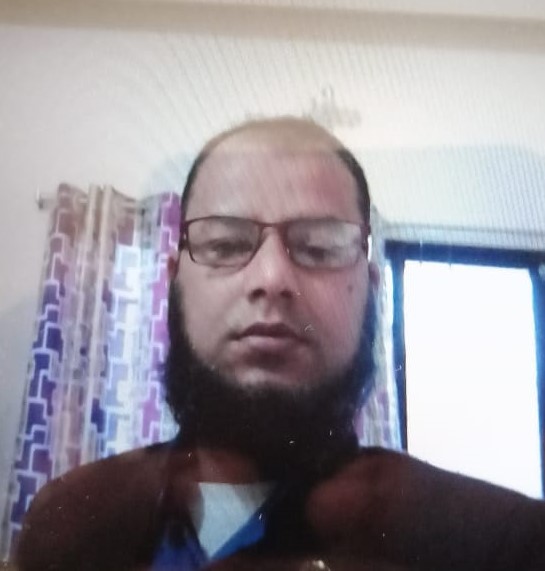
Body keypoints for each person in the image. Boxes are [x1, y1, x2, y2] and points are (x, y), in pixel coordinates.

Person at [15, 117, 545, 571]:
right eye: (226, 243)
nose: (271, 278)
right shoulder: (70, 524)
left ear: (371, 288)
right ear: (174, 281)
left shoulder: (504, 545)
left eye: (319, 247)